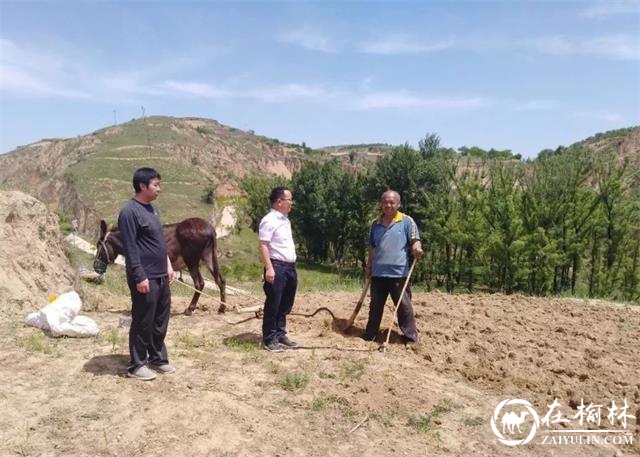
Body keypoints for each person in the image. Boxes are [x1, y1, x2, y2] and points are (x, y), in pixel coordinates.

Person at [118, 167, 175, 380]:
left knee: (160, 319)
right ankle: (137, 364)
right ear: (143, 186)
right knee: (143, 319)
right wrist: (139, 276)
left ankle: (158, 358)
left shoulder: (153, 210)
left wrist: (168, 264)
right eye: (156, 185)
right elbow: (130, 248)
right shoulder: (129, 212)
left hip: (161, 274)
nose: (159, 189)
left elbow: (158, 242)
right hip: (145, 276)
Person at [363, 190, 423, 344]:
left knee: (404, 306)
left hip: (399, 274)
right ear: (381, 204)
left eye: (391, 202)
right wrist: (369, 267)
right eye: (385, 202)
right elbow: (372, 248)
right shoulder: (375, 224)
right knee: (375, 306)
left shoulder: (407, 221)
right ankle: (370, 334)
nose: (388, 205)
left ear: (398, 204)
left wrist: (417, 248)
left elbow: (415, 240)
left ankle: (410, 336)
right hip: (378, 274)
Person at [258, 187, 298, 352]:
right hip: (277, 267)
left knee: (285, 303)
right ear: (279, 201)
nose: (291, 203)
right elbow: (263, 245)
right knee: (273, 303)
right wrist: (269, 268)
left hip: (289, 267)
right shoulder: (269, 220)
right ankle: (269, 338)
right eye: (289, 199)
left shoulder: (285, 220)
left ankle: (281, 333)